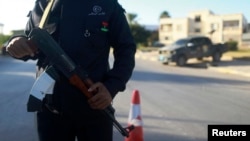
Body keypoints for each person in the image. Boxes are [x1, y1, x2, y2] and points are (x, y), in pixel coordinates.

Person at [6, 0, 136, 141]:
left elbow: (126, 49)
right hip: (51, 111)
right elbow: (31, 44)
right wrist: (16, 43)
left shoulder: (107, 4)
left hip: (93, 105)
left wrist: (111, 87)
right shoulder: (44, 4)